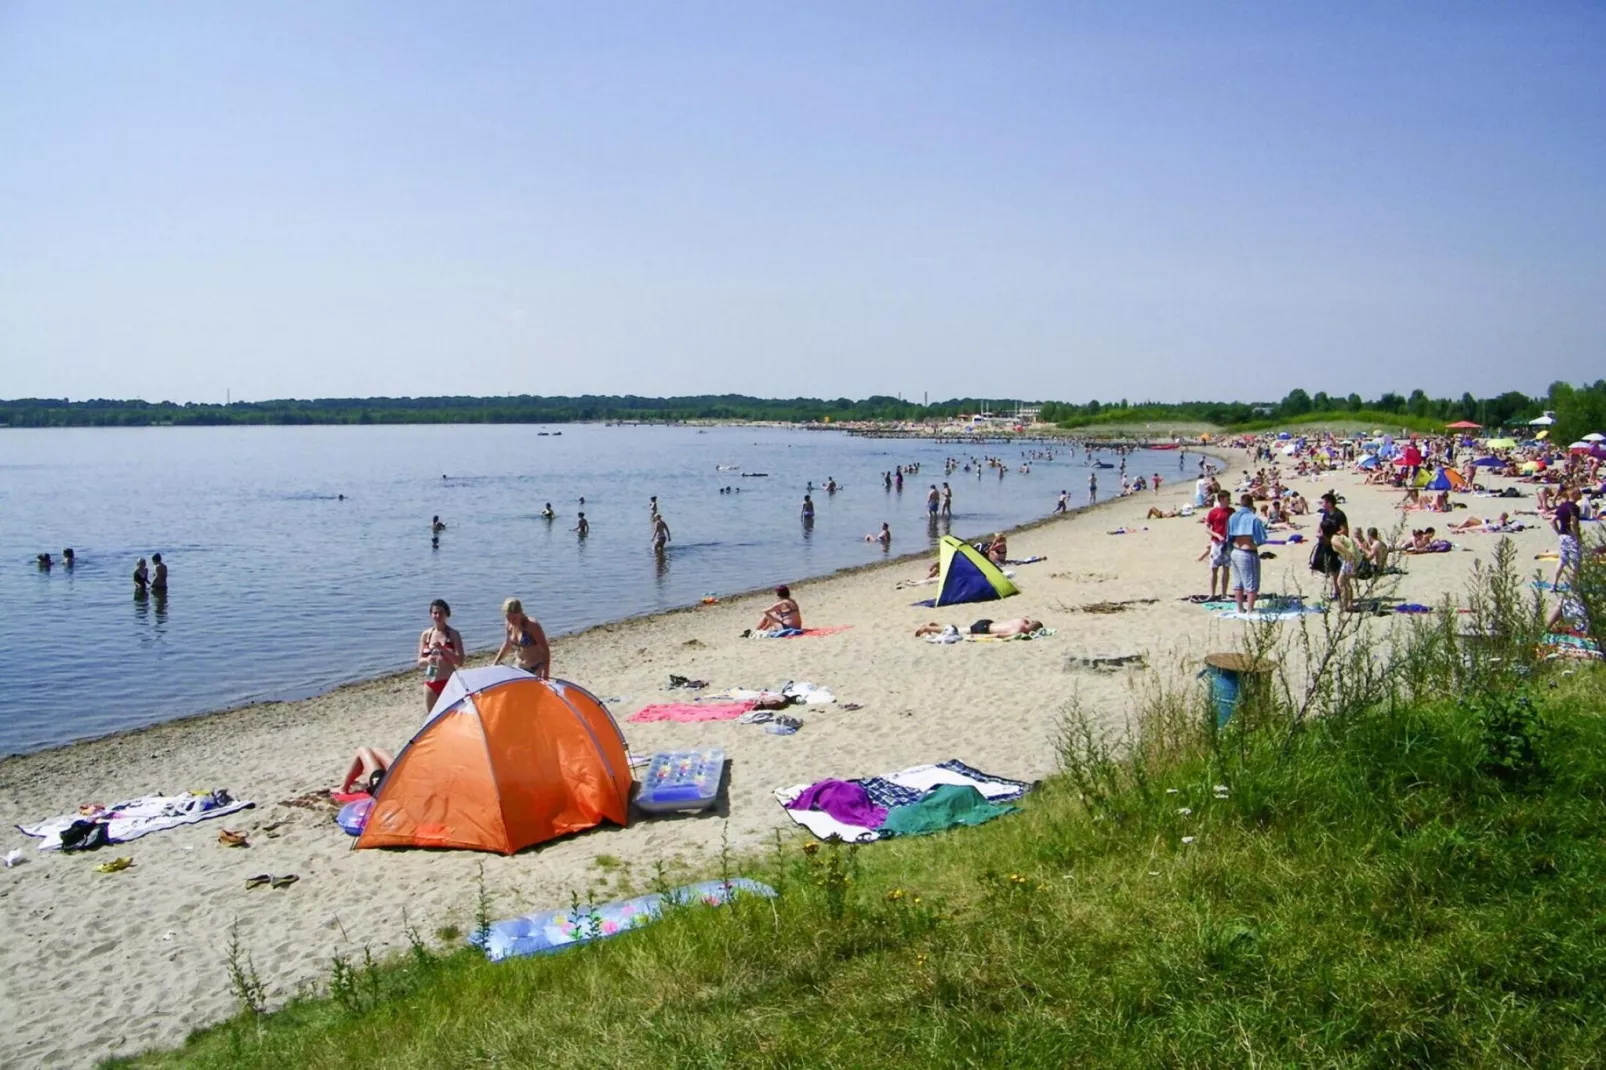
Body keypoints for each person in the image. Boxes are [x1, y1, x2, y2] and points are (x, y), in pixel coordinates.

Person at [417, 598, 465, 710]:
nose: (437, 616)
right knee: (433, 719)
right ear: (431, 614)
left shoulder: (453, 634)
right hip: (431, 681)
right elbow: (419, 661)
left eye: (441, 613)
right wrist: (428, 660)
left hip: (449, 682)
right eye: (435, 613)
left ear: (446, 614)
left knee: (452, 717)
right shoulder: (426, 635)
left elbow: (460, 661)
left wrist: (443, 649)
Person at [1227, 493, 1269, 613]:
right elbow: (1260, 539)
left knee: (1238, 582)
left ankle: (1240, 607)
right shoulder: (1253, 518)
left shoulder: (1233, 517)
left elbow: (1228, 537)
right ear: (1251, 504)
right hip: (1247, 552)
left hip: (1235, 551)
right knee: (1252, 582)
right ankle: (1250, 609)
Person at [495, 598, 551, 679]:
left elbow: (545, 648)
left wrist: (546, 672)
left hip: (535, 668)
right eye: (508, 618)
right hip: (518, 667)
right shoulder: (509, 624)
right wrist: (496, 662)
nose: (512, 621)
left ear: (520, 613)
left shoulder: (532, 625)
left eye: (514, 618)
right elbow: (507, 644)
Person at [1205, 490, 1233, 600]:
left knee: (1226, 568)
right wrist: (1217, 535)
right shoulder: (1213, 512)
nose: (1229, 500)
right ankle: (1212, 594)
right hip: (1216, 543)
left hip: (1228, 543)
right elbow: (1207, 528)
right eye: (1227, 498)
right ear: (1221, 499)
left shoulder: (1232, 511)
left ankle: (1224, 594)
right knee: (1214, 568)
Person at [1554, 485, 1582, 590]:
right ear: (1574, 494)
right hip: (1571, 536)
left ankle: (1555, 584)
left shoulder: (1561, 506)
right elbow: (1573, 523)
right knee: (1576, 562)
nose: (1581, 495)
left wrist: (1559, 532)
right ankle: (1573, 586)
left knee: (1562, 561)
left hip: (1562, 535)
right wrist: (1577, 536)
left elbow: (1552, 520)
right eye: (1579, 493)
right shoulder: (1574, 508)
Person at [915, 618, 1044, 638]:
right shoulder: (1020, 630)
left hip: (988, 622)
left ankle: (936, 626)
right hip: (984, 629)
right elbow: (1001, 635)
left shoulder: (1021, 620)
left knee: (962, 628)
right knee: (957, 631)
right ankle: (927, 628)